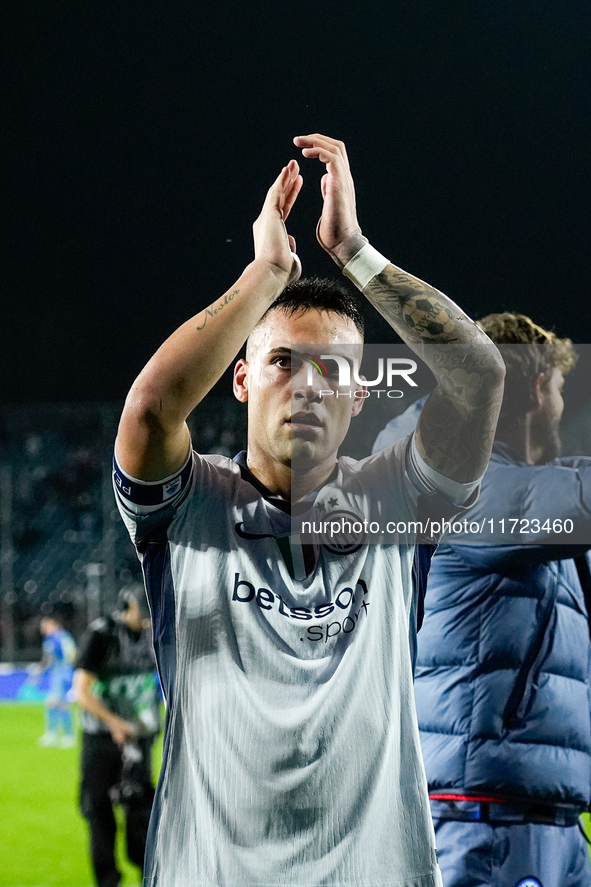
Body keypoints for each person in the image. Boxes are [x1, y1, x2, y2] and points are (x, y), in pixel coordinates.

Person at [113, 133, 504, 887]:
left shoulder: (396, 497)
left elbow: (481, 377)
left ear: (360, 395)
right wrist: (264, 276)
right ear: (240, 381)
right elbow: (153, 407)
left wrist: (353, 252)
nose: (308, 384)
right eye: (282, 361)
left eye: (334, 369)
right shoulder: (188, 503)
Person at [373, 313, 591, 887]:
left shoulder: (526, 490)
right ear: (539, 388)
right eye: (562, 389)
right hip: (474, 817)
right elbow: (556, 503)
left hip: (541, 813)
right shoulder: (453, 482)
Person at [73, 589, 161, 887]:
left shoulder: (157, 630)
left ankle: (148, 875)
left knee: (142, 813)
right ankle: (108, 880)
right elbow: (81, 691)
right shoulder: (103, 634)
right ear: (127, 607)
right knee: (99, 812)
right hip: (101, 740)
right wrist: (114, 722)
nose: (148, 621)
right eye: (142, 613)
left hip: (139, 739)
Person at [35, 614, 77, 747]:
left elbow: (71, 655)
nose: (43, 629)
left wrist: (70, 673)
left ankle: (68, 736)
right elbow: (49, 659)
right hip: (57, 674)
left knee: (59, 704)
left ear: (53, 624)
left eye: (45, 625)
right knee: (53, 703)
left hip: (63, 674)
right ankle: (54, 735)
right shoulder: (51, 639)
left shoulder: (61, 637)